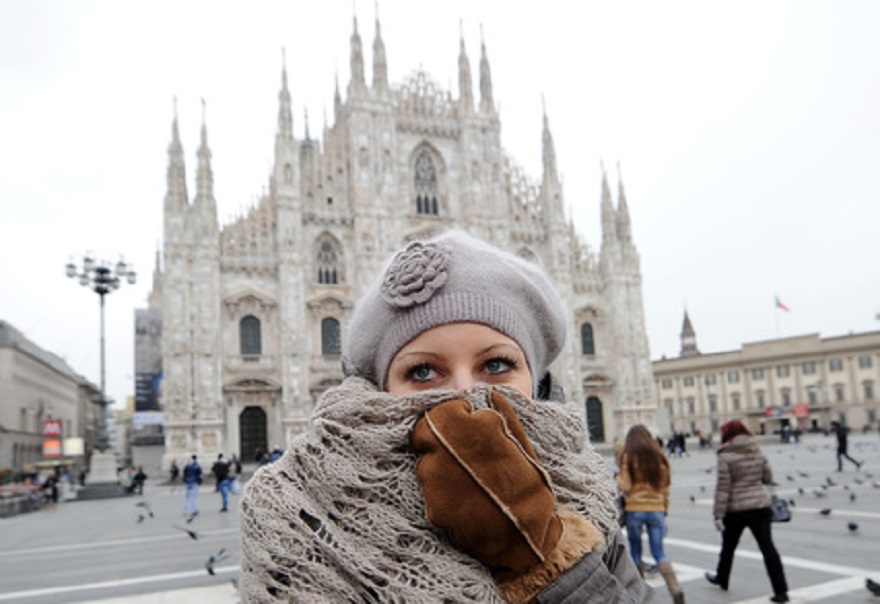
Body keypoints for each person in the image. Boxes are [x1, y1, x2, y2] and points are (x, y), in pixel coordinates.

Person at [239, 231, 657, 602]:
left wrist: (548, 563)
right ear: (379, 390)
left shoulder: (581, 497)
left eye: (496, 365)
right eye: (423, 371)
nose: (464, 394)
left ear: (536, 380)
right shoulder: (299, 523)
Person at [705, 420, 789, 603]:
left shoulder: (725, 454)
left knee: (728, 547)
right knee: (768, 549)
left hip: (736, 509)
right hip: (760, 506)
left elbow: (723, 487)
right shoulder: (756, 449)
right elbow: (768, 477)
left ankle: (722, 578)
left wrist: (718, 514)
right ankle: (781, 591)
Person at [617, 424, 685, 604]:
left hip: (635, 510)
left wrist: (619, 476)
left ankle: (640, 597)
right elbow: (665, 488)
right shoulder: (660, 458)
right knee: (659, 553)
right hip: (657, 510)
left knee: (636, 554)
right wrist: (664, 509)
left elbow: (625, 486)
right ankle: (675, 590)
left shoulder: (628, 457)